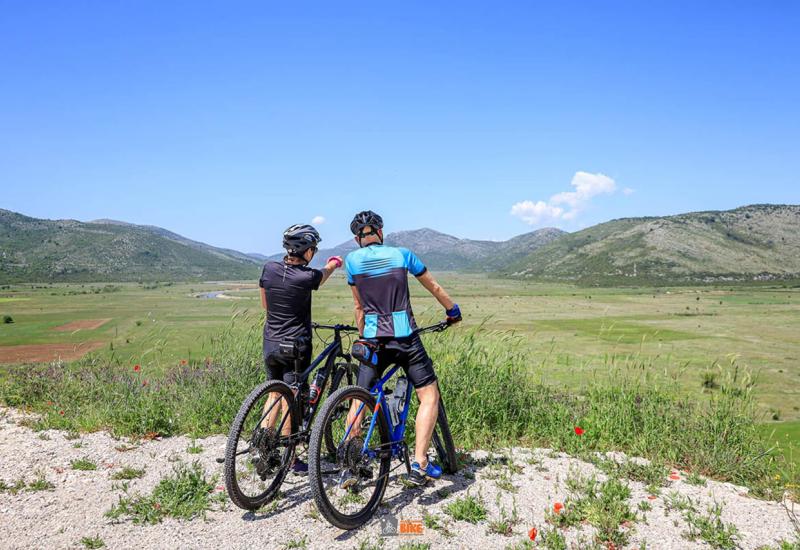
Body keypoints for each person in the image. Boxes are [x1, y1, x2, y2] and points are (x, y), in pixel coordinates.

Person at [344, 210, 461, 486]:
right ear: (380, 232)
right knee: (429, 395)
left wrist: (365, 336)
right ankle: (420, 463)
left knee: (360, 397)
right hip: (405, 338)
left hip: (373, 339)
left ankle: (350, 456)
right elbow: (433, 285)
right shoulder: (402, 255)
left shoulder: (351, 261)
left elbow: (359, 307)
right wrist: (452, 310)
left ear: (357, 238)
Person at [259, 224, 343, 473]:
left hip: (270, 342)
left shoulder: (270, 268)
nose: (314, 254)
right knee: (291, 397)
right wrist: (334, 263)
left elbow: (266, 304)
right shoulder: (306, 277)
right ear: (305, 250)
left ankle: (264, 443)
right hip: (294, 347)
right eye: (313, 249)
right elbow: (324, 273)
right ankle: (291, 457)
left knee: (274, 393)